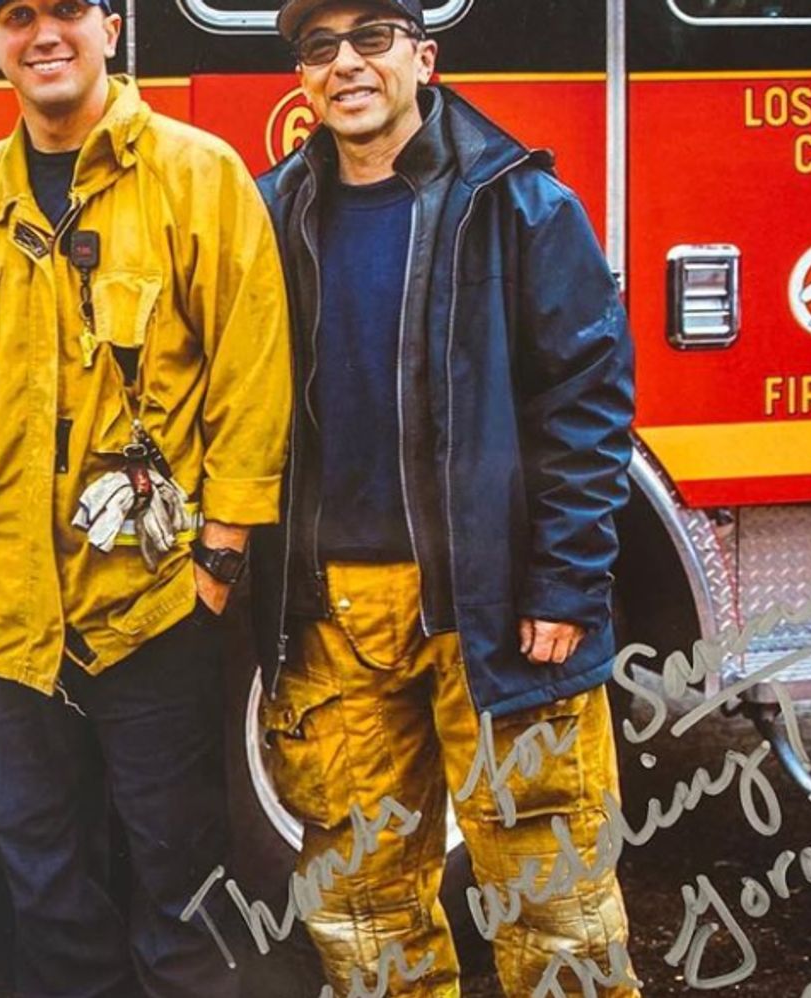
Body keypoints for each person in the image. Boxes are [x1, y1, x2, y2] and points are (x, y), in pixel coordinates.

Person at [0, 1, 292, 994]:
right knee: (39, 874)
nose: (44, 33)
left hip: (153, 603)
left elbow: (252, 374)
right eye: (17, 15)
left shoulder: (198, 177)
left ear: (109, 28)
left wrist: (218, 561)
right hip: (4, 611)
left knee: (179, 875)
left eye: (66, 10)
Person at [250, 1, 637, 995]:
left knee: (555, 904)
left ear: (421, 57)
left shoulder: (518, 204)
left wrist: (563, 582)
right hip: (331, 617)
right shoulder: (267, 212)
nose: (344, 63)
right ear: (300, 76)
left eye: (370, 38)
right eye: (318, 46)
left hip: (493, 606)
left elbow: (585, 401)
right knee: (362, 912)